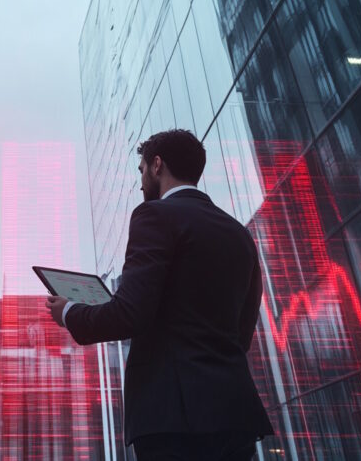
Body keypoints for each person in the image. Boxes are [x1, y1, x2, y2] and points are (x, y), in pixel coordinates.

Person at [45, 129, 273, 460]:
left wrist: (69, 312)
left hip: (173, 420)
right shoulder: (238, 234)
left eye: (140, 171)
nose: (140, 184)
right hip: (234, 413)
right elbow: (242, 332)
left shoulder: (154, 216)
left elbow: (130, 314)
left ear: (156, 165)